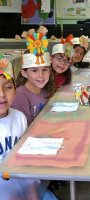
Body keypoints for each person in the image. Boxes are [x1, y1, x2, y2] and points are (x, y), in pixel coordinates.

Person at [0, 55, 57, 200]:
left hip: (25, 185)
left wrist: (32, 195)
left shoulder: (19, 118)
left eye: (7, 87)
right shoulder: (21, 99)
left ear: (14, 88)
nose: (2, 95)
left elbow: (27, 160)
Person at [12, 31, 55, 125]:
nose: (41, 75)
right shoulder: (20, 96)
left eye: (45, 70)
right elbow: (25, 130)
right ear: (24, 73)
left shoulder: (45, 90)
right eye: (34, 70)